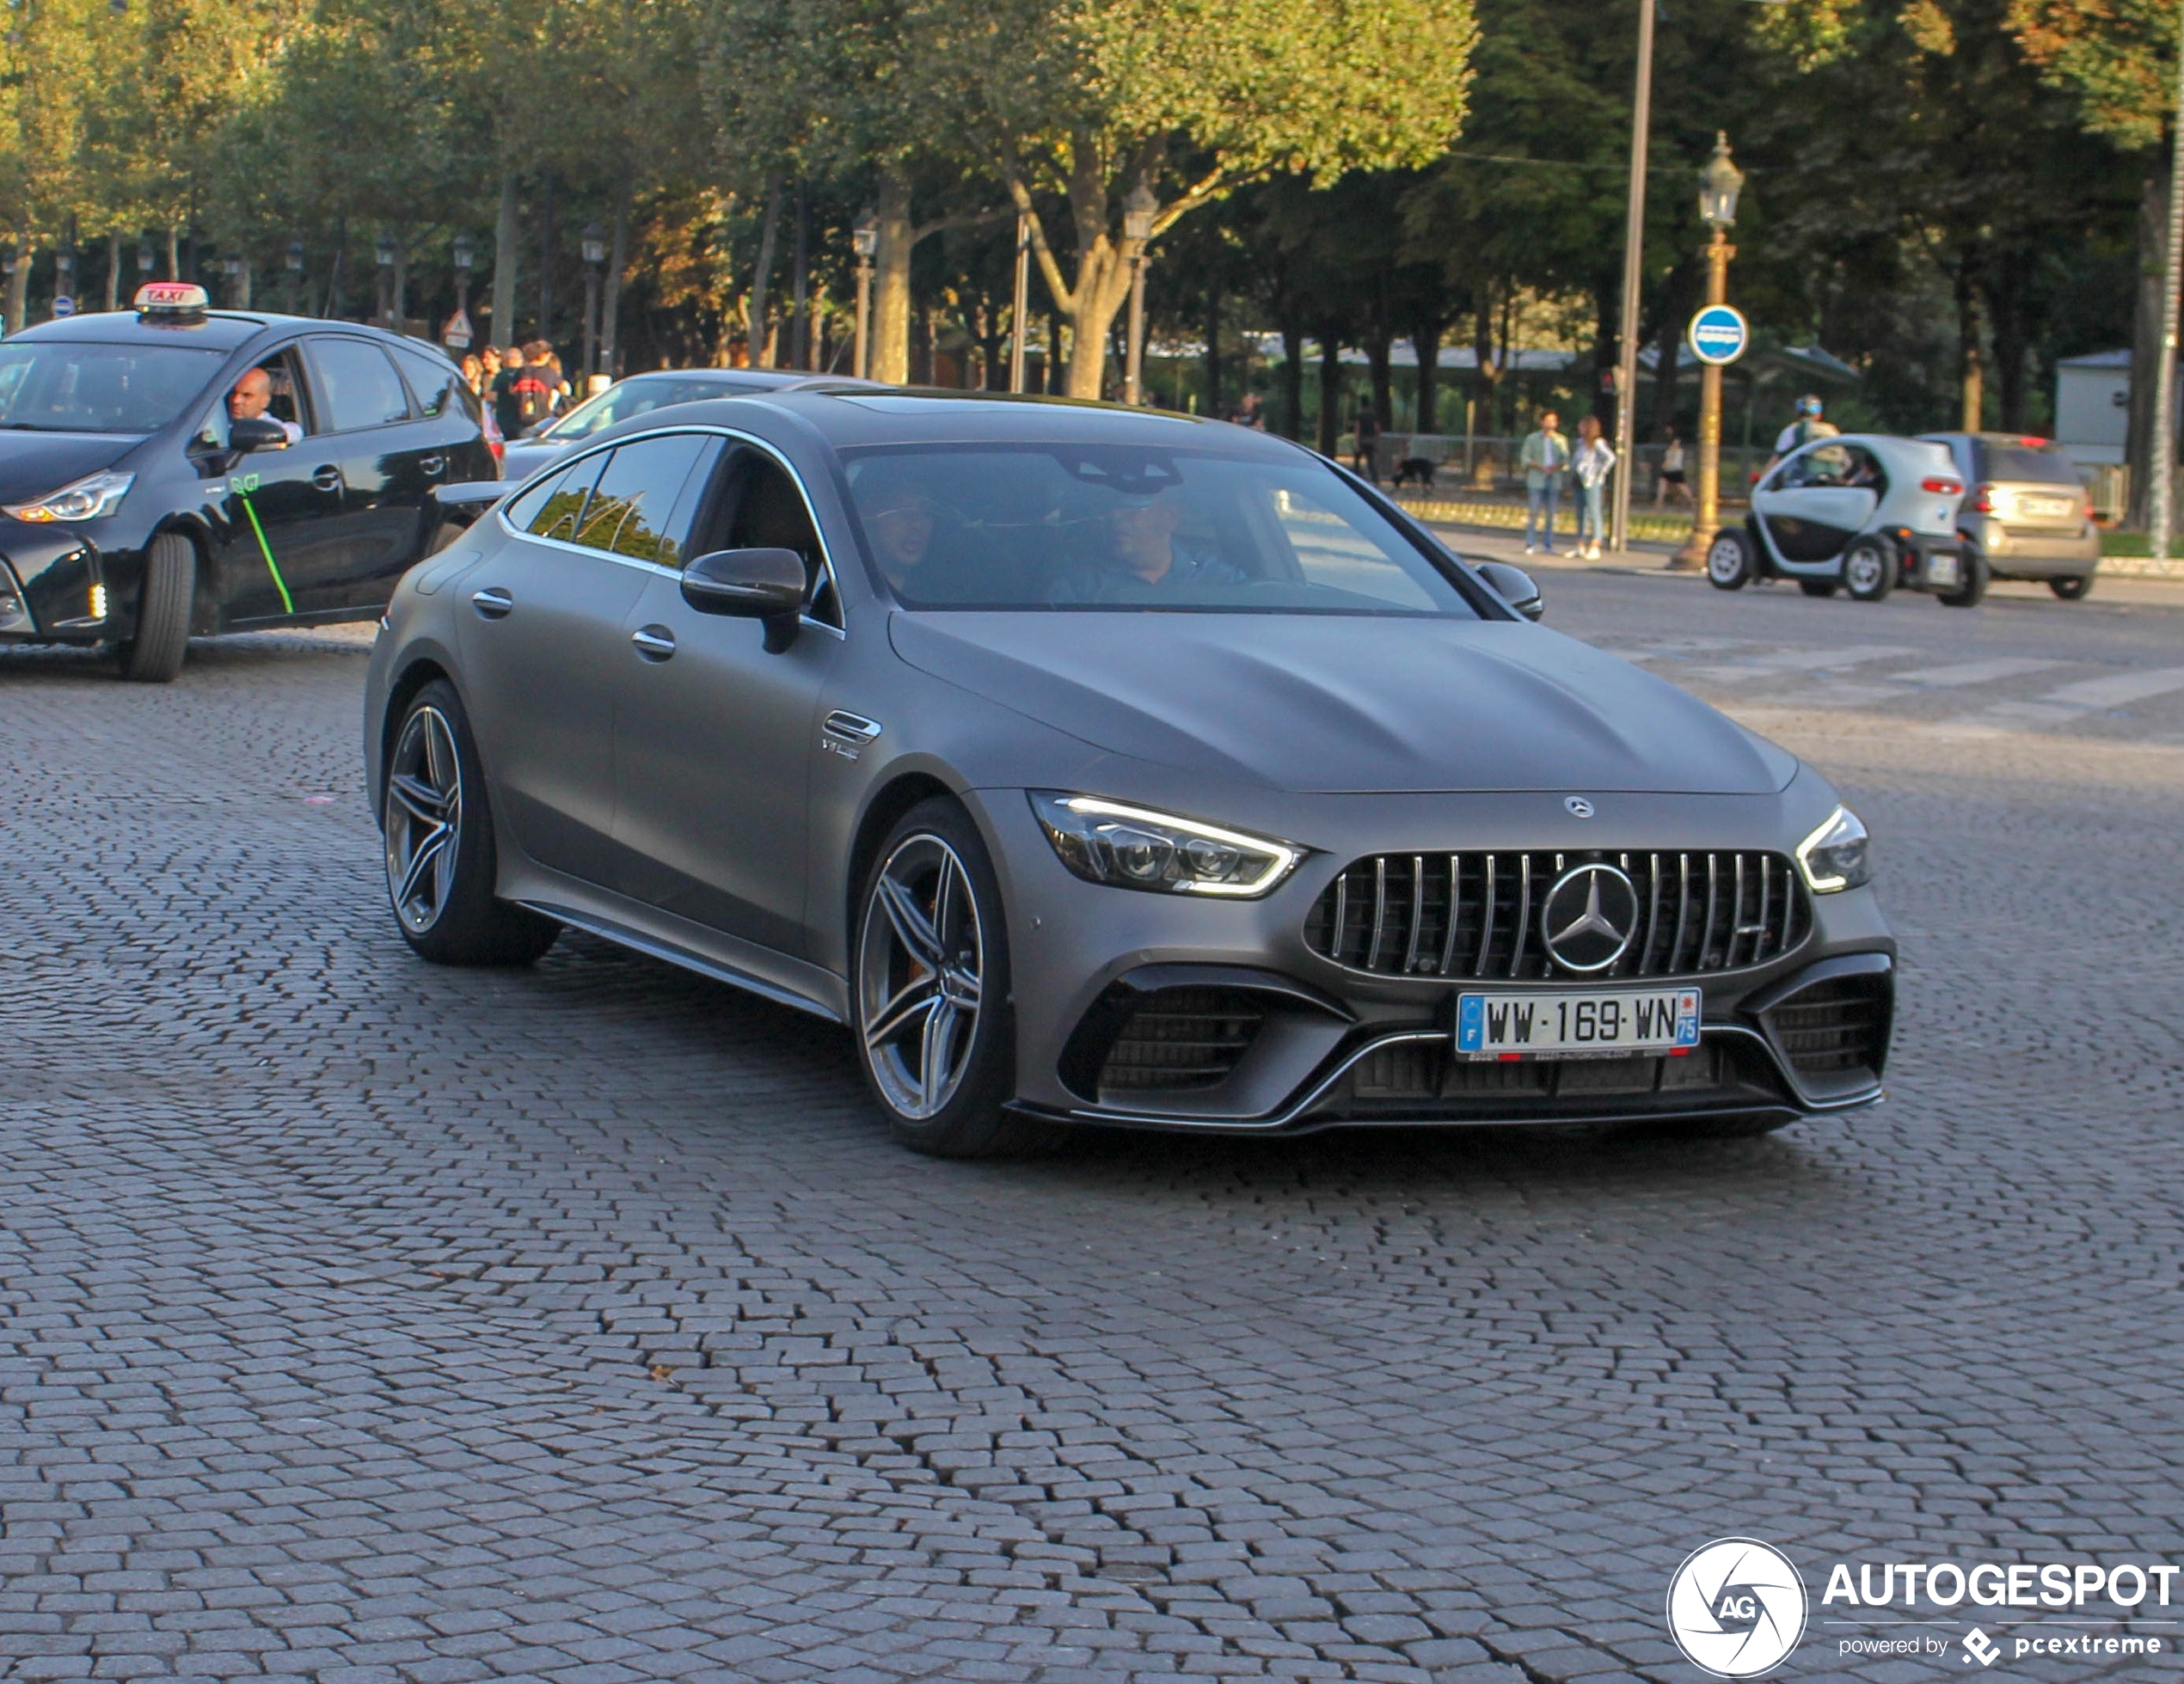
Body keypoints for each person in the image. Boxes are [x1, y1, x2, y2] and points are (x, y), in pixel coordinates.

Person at [1518, 411, 1570, 555]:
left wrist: (1556, 466)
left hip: (1553, 479)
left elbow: (1565, 459)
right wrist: (1540, 467)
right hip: (1537, 478)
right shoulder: (1532, 439)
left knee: (1551, 514)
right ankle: (1530, 543)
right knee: (1534, 512)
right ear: (1542, 422)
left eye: (1553, 421)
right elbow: (1525, 458)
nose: (1550, 424)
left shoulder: (1560, 440)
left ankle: (1548, 544)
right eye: (1547, 421)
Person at [1571, 413, 1616, 561]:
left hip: (1591, 481)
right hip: (1579, 480)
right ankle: (1580, 545)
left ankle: (1595, 545)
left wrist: (1598, 472)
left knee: (1594, 511)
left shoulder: (1597, 443)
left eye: (1582, 425)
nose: (1580, 428)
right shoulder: (1580, 443)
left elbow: (1610, 458)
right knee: (1580, 513)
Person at [228, 366, 302, 444]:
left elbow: (294, 432)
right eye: (233, 393)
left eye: (247, 396)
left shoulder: (270, 427)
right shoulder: (218, 421)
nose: (235, 401)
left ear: (265, 402)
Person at [1767, 394, 1837, 471]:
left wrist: (1762, 480)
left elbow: (1776, 459)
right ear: (1819, 414)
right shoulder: (1831, 429)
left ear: (1797, 413)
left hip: (1798, 478)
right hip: (1831, 479)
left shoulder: (1792, 430)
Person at [1655, 427, 1690, 507]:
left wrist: (1666, 463)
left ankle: (1690, 500)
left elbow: (1672, 458)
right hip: (1668, 470)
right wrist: (1665, 464)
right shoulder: (1669, 447)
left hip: (1675, 470)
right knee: (1662, 483)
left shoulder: (1677, 448)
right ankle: (1659, 501)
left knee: (1682, 486)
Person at [1350, 403, 1381, 483]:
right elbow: (1377, 428)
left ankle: (1354, 478)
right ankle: (1375, 479)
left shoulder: (1359, 416)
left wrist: (1356, 442)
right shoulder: (1373, 416)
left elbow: (1357, 429)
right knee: (1370, 461)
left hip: (1361, 440)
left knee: (1357, 461)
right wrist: (1376, 441)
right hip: (1370, 441)